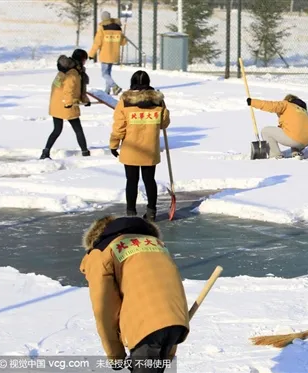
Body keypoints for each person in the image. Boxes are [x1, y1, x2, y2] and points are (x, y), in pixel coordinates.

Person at [80, 215, 189, 372]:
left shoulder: (102, 252)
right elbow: (171, 290)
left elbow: (104, 308)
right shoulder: (157, 245)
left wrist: (116, 356)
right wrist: (170, 348)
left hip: (145, 327)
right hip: (176, 323)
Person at [110, 70, 170, 221]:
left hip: (131, 149)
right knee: (149, 180)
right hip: (150, 149)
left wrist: (114, 144)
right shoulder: (158, 101)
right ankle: (151, 212)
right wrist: (164, 110)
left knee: (132, 180)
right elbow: (164, 124)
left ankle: (131, 212)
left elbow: (119, 127)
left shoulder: (125, 102)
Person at [41, 53, 91, 159]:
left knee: (57, 130)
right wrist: (68, 102)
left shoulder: (66, 70)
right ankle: (85, 152)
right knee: (78, 129)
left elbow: (79, 89)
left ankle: (45, 152)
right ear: (81, 60)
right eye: (85, 60)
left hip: (56, 103)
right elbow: (69, 89)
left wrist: (85, 100)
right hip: (66, 104)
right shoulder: (73, 73)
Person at [247, 94, 308, 159]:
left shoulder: (287, 104)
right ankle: (296, 153)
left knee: (266, 131)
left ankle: (275, 155)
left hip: (294, 138)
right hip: (306, 141)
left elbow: (271, 105)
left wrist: (252, 102)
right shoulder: (302, 110)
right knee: (295, 134)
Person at [88, 11, 127, 95]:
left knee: (104, 74)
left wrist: (91, 54)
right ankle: (107, 90)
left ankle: (115, 86)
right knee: (108, 73)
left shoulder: (102, 28)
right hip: (114, 54)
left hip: (105, 54)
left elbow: (97, 43)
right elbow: (123, 42)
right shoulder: (118, 28)